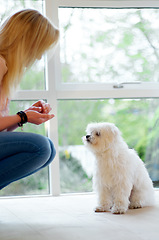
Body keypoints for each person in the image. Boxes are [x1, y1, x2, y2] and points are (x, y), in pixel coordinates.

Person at [0, 9, 59, 190]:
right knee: (40, 147)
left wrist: (24, 116)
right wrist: (22, 117)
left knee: (48, 150)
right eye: (39, 48)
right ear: (28, 42)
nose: (39, 56)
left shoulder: (7, 70)